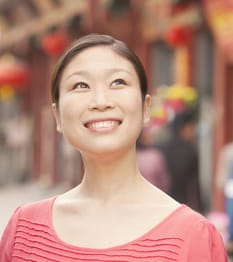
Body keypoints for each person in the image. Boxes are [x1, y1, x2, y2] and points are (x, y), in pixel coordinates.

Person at [0, 34, 227, 261]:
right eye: (81, 85)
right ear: (57, 115)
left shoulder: (194, 236)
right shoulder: (24, 230)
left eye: (118, 82)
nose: (100, 101)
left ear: (146, 108)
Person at [158, 109, 203, 212]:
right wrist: (200, 209)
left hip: (161, 203)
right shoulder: (190, 152)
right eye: (192, 127)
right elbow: (195, 185)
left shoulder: (161, 148)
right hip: (181, 206)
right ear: (183, 128)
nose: (193, 131)